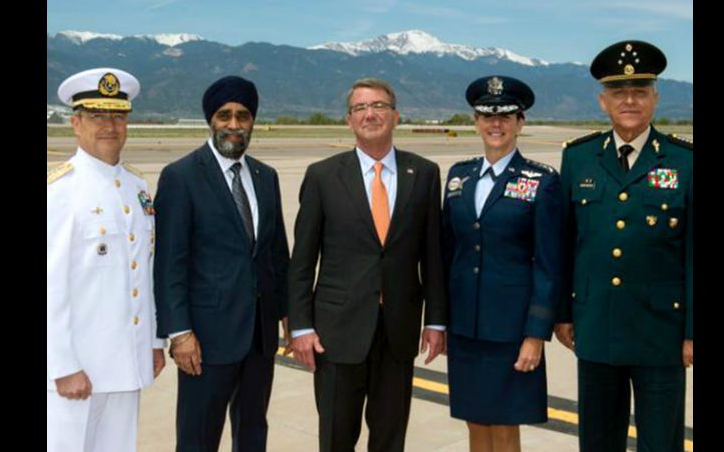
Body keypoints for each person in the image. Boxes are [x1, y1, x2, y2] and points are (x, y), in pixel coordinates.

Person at [288, 78, 448, 452]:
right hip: (336, 333)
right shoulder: (322, 176)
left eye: (378, 106)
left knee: (390, 438)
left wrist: (436, 320)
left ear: (395, 116)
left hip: (398, 330)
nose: (370, 114)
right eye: (360, 108)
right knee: (336, 437)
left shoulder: (423, 174)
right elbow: (302, 260)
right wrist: (300, 325)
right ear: (348, 120)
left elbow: (433, 255)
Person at [554, 40, 693, 452]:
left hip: (661, 334)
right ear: (603, 101)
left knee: (660, 442)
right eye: (618, 92)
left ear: (655, 98)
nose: (629, 100)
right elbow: (566, 242)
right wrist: (563, 313)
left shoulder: (683, 161)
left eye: (639, 92)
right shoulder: (579, 159)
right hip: (596, 328)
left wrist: (692, 331)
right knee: (597, 440)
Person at [153, 76, 290, 452]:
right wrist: (179, 332)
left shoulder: (266, 176)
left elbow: (277, 253)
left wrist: (289, 313)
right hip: (206, 339)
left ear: (252, 121)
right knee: (199, 437)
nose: (234, 124)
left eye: (242, 116)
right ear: (210, 120)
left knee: (252, 434)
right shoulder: (181, 176)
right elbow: (169, 263)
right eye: (224, 115)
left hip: (259, 337)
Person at [441, 76, 563, 452]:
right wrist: (441, 319)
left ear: (520, 123)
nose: (496, 124)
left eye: (506, 117)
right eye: (486, 116)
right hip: (466, 326)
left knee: (507, 426)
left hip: (511, 329)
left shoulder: (541, 181)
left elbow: (548, 264)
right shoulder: (458, 176)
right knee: (475, 420)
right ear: (475, 122)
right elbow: (448, 252)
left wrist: (535, 335)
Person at [47, 67, 166, 452]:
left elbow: (143, 272)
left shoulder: (136, 188)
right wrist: (61, 365)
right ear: (76, 123)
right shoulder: (60, 191)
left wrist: (151, 341)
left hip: (126, 364)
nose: (109, 126)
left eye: (118, 116)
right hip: (76, 370)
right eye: (98, 116)